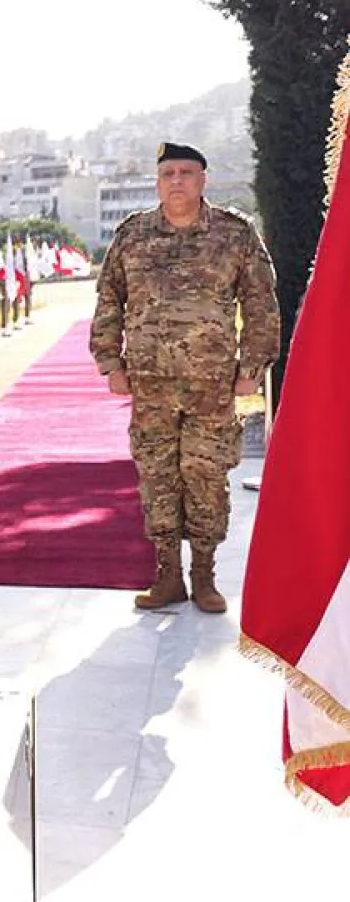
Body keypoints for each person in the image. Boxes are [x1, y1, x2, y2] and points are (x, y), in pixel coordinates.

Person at [91, 141, 280, 613]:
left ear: (203, 180)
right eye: (168, 173)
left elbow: (260, 302)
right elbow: (109, 299)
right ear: (158, 183)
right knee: (157, 476)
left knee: (206, 475)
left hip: (211, 385)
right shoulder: (133, 235)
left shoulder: (235, 234)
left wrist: (252, 367)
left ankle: (204, 576)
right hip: (150, 384)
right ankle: (168, 576)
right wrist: (111, 363)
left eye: (186, 172)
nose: (176, 180)